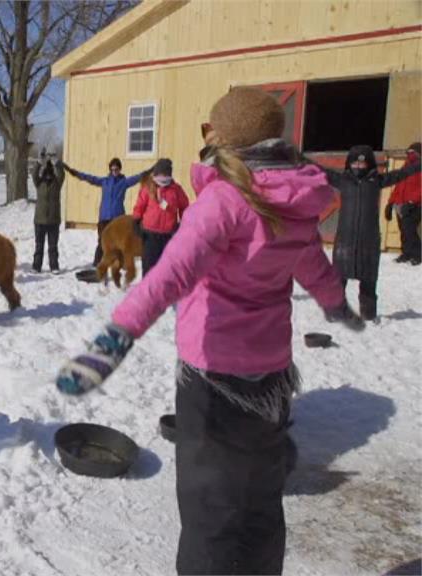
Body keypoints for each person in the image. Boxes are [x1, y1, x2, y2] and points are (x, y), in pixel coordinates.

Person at [55, 88, 366, 575]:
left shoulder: (223, 201)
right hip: (271, 378)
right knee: (262, 503)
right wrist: (335, 304)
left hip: (213, 378)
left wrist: (111, 342)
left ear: (216, 136)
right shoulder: (296, 201)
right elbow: (312, 265)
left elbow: (168, 277)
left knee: (210, 511)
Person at [314, 144, 421, 321]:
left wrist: (419, 165)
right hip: (345, 243)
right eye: (355, 163)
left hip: (368, 243)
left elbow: (402, 174)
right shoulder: (343, 181)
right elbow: (320, 170)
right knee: (338, 280)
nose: (358, 167)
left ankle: (369, 314)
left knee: (369, 282)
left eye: (362, 164)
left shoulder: (377, 181)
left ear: (369, 164)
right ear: (349, 164)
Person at [59, 156, 151, 275]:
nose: (114, 172)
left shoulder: (124, 182)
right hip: (104, 218)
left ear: (120, 169)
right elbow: (89, 178)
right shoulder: (104, 181)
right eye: (112, 169)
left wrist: (151, 170)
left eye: (116, 169)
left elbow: (138, 177)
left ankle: (119, 264)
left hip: (117, 218)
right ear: (110, 170)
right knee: (102, 241)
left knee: (119, 242)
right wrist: (74, 172)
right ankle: (97, 263)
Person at [131, 158, 189, 276]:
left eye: (165, 174)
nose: (162, 178)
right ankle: (147, 291)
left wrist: (184, 223)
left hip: (168, 235)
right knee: (148, 266)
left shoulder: (176, 190)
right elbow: (139, 206)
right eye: (160, 174)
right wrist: (136, 221)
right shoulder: (148, 188)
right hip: (149, 235)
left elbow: (185, 207)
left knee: (165, 268)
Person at [385, 142, 421, 265]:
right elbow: (398, 186)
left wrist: (412, 202)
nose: (410, 155)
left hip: (415, 205)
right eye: (409, 152)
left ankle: (417, 254)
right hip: (400, 205)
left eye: (413, 153)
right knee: (403, 230)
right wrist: (390, 203)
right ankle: (406, 253)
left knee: (410, 230)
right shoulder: (405, 168)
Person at [32, 148, 65, 272]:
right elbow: (34, 174)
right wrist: (40, 161)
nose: (48, 176)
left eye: (50, 173)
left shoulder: (57, 184)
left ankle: (54, 266)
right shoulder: (39, 183)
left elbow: (61, 173)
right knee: (39, 246)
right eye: (46, 173)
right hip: (39, 221)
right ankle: (36, 266)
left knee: (53, 246)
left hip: (53, 220)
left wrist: (55, 160)